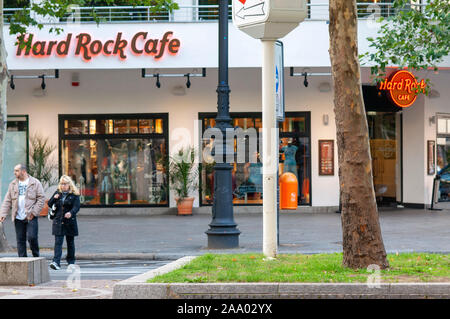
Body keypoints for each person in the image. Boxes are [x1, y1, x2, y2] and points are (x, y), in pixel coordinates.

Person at [0, 164, 45, 257]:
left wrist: (34, 212)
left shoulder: (35, 183)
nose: (14, 172)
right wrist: (3, 214)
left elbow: (41, 198)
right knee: (20, 240)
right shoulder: (13, 184)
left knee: (32, 237)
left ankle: (36, 256)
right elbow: (7, 200)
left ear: (23, 171)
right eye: (14, 170)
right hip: (18, 216)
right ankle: (22, 261)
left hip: (30, 216)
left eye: (16, 170)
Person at [47, 175, 81, 270]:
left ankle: (71, 262)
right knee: (58, 242)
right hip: (58, 221)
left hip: (70, 222)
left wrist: (71, 213)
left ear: (69, 185)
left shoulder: (74, 195)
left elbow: (76, 207)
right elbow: (49, 204)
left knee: (70, 242)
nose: (63, 186)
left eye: (65, 184)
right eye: (61, 184)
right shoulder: (58, 193)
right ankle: (56, 262)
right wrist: (54, 197)